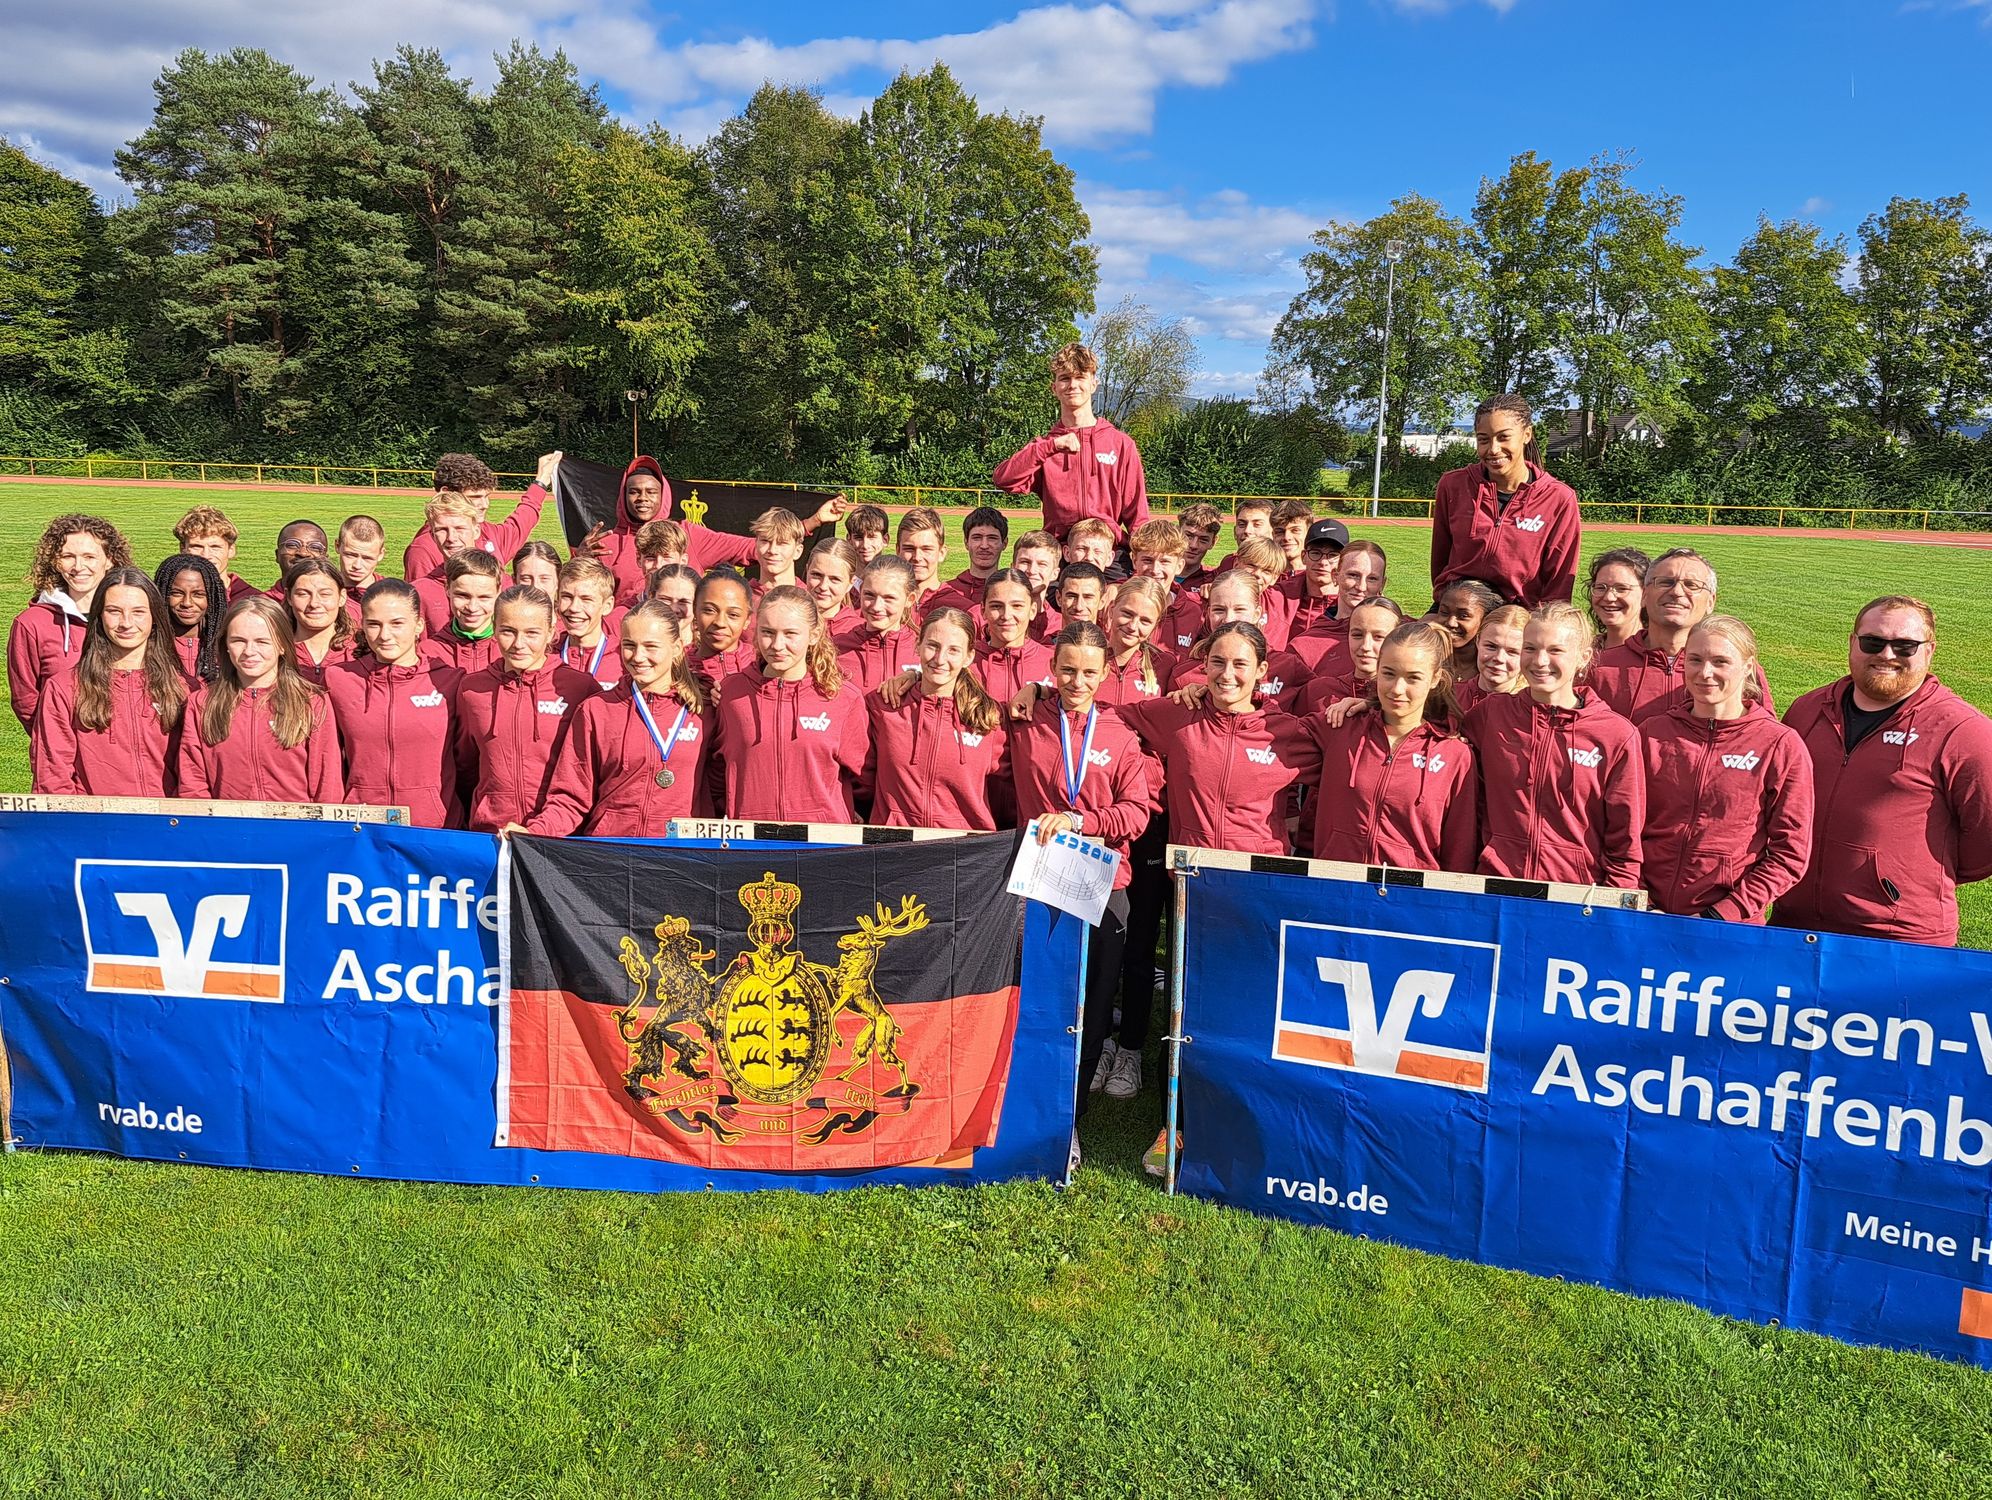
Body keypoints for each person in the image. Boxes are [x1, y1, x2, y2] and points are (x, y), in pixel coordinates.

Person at [1113, 621, 1324, 1102]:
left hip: (1258, 892)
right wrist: (1038, 692)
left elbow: (1349, 755)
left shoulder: (1284, 732)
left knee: (1249, 1003)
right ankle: (1177, 1118)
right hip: (1193, 889)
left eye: (1240, 664)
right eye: (1217, 662)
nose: (1227, 674)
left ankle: (1243, 1105)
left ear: (1262, 671)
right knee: (1189, 1006)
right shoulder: (1179, 716)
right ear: (1202, 666)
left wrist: (1361, 706)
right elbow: (1113, 720)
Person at [1774, 595, 1992, 946]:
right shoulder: (1807, 710)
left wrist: (1900, 878)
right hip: (1793, 927)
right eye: (1873, 642)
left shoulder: (1964, 731)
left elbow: (1985, 841)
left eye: (1905, 646)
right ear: (1852, 643)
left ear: (1929, 650)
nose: (1887, 654)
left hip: (1898, 940)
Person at [1008, 621, 1155, 1138]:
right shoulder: (1025, 718)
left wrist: (1079, 820)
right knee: (1033, 996)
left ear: (1106, 673)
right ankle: (1024, 1101)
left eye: (1089, 672)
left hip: (1102, 885)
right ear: (1051, 668)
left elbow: (1137, 813)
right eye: (1067, 670)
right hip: (1036, 881)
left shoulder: (1119, 734)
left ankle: (1069, 1120)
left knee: (1091, 1006)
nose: (1077, 681)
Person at [1636, 615, 1813, 923]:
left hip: (1728, 926)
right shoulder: (1651, 733)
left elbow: (1790, 853)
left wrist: (1720, 916)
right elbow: (1620, 828)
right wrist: (1641, 903)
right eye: (1695, 659)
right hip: (1645, 917)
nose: (1705, 673)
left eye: (1720, 661)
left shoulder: (1779, 745)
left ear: (1748, 666)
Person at [1466, 602, 1642, 888]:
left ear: (1583, 657)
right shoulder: (1491, 713)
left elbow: (1626, 837)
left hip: (1576, 894)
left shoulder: (1615, 735)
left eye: (1555, 650)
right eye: (1530, 648)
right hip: (1495, 884)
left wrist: (1615, 899)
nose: (1540, 661)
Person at [527, 601, 717, 837]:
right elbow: (570, 797)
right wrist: (534, 832)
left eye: (651, 646)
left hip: (678, 851)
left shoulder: (704, 707)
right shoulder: (596, 710)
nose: (638, 656)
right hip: (612, 849)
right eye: (629, 645)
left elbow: (722, 786)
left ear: (677, 647)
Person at [1306, 620, 1477, 872]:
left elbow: (1459, 851)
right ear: (1377, 669)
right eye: (1388, 674)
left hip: (1409, 894)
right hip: (1338, 886)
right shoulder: (1340, 726)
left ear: (1435, 679)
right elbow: (1267, 739)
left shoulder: (1454, 754)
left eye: (1413, 678)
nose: (1397, 689)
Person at [588, 455, 844, 605]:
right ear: (624, 496)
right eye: (634, 492)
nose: (643, 498)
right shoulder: (606, 543)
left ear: (663, 494)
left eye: (651, 492)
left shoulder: (689, 535)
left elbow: (754, 547)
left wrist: (813, 521)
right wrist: (583, 558)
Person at [710, 586, 869, 822]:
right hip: (751, 837)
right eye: (768, 632)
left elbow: (864, 779)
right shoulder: (730, 694)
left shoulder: (843, 698)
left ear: (813, 635)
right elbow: (717, 773)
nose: (777, 645)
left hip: (822, 838)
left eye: (790, 634)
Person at [452, 585, 599, 832]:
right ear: (494, 628)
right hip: (491, 835)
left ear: (550, 632)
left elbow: (586, 775)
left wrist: (541, 829)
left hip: (558, 836)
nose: (519, 644)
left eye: (532, 633)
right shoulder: (472, 689)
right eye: (508, 631)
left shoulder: (580, 688)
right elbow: (466, 767)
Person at [322, 579, 466, 829]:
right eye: (374, 624)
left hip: (435, 827)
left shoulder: (449, 681)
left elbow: (467, 759)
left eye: (397, 623)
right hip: (362, 827)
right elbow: (329, 759)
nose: (384, 635)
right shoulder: (339, 679)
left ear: (419, 624)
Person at [33, 568, 189, 796]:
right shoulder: (64, 688)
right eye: (114, 611)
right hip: (94, 817)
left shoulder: (183, 688)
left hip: (169, 816)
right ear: (99, 616)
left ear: (155, 617)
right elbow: (52, 776)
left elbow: (197, 772)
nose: (126, 623)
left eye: (138, 612)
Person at [176, 596, 344, 802]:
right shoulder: (202, 704)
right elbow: (193, 782)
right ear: (226, 645)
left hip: (295, 821)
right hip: (226, 821)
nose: (249, 651)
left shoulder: (311, 702)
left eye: (262, 642)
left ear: (282, 645)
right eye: (238, 641)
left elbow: (327, 785)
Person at [865, 607, 1012, 831]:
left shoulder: (988, 718)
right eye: (932, 646)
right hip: (895, 843)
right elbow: (861, 775)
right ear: (917, 645)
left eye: (953, 650)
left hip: (963, 845)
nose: (940, 659)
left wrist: (1039, 690)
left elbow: (1011, 787)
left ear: (968, 657)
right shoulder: (884, 706)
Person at [10, 514, 132, 780]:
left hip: (125, 760)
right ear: (55, 561)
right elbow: (26, 700)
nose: (78, 566)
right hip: (65, 762)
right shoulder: (32, 623)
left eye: (89, 557)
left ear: (109, 559)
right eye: (68, 556)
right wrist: (56, 742)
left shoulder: (131, 619)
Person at [1431, 393, 1581, 607]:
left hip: (1517, 614)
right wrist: (1443, 602)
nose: (1493, 449)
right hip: (1458, 607)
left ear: (1526, 434)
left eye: (1503, 437)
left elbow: (1559, 583)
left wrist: (1541, 622)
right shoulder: (1452, 484)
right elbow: (1440, 561)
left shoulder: (1559, 498)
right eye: (1483, 439)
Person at [991, 342, 1149, 544]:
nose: (1073, 385)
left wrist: (1143, 555)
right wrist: (1052, 446)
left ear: (1093, 384)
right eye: (1065, 378)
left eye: (1080, 377)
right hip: (1058, 551)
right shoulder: (1045, 446)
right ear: (1054, 388)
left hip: (1108, 551)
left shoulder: (1121, 444)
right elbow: (1004, 480)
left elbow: (1137, 515)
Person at [1588, 547, 1772, 719]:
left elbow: (1763, 732)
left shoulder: (1737, 669)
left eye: (1692, 585)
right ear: (1644, 595)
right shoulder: (1600, 667)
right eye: (1665, 582)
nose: (1676, 592)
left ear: (1711, 602)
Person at [403, 451, 556, 583]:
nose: (485, 504)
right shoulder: (423, 549)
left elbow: (523, 519)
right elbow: (422, 601)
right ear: (446, 493)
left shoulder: (489, 533)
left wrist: (541, 480)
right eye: (475, 497)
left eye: (486, 496)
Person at [836, 555, 920, 692]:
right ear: (860, 591)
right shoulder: (836, 648)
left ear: (909, 599)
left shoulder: (923, 650)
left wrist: (918, 675)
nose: (876, 607)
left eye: (889, 598)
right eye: (869, 595)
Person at [973, 570, 1056, 704]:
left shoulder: (1052, 662)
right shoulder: (967, 662)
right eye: (996, 606)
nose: (1006, 615)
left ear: (1032, 610)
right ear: (983, 610)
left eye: (1017, 606)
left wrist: (1038, 690)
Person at [1128, 519, 1204, 651]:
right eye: (1148, 560)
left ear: (1179, 566)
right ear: (1134, 561)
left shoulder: (1194, 611)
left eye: (1164, 562)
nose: (1155, 570)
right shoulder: (1117, 603)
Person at [281, 557, 358, 687]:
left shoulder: (360, 651)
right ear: (289, 597)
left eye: (325, 594)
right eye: (303, 594)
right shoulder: (275, 650)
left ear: (342, 597)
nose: (314, 603)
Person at [553, 557, 625, 690]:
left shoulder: (623, 656)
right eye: (567, 597)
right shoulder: (545, 653)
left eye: (586, 599)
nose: (574, 608)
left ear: (607, 606)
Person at [424, 550, 503, 672]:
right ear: (447, 589)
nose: (472, 607)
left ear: (498, 592)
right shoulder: (428, 652)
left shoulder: (513, 647)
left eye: (484, 597)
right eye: (463, 596)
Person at [153, 553, 225, 683]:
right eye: (177, 593)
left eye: (198, 594)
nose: (187, 603)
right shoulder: (147, 646)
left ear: (212, 599)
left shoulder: (226, 647)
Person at [926, 507, 1009, 617]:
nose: (984, 546)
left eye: (992, 538)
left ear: (1004, 543)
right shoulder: (944, 593)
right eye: (977, 538)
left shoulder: (1013, 592)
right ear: (966, 543)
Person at [1277, 519, 1350, 637]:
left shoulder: (1354, 603)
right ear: (1303, 557)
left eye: (1333, 555)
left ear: (1344, 561)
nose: (1323, 562)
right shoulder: (1281, 597)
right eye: (1316, 553)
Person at [687, 570, 758, 687]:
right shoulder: (677, 668)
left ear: (747, 620)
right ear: (695, 610)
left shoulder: (761, 667)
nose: (720, 623)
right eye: (709, 610)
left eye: (733, 615)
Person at [1455, 602, 1528, 714]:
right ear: (1478, 641)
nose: (1499, 658)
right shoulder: (1450, 697)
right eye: (1491, 647)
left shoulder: (1534, 709)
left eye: (1512, 652)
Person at [173, 506, 258, 602]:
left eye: (215, 547)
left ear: (231, 550)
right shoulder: (167, 596)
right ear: (183, 549)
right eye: (197, 546)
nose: (206, 555)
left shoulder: (251, 599)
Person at [1433, 579, 1505, 683]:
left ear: (1485, 619)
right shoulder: (1424, 659)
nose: (1451, 623)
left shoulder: (1497, 667)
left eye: (1463, 616)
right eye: (1444, 612)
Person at [1587, 547, 1649, 651]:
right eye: (1601, 588)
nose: (1609, 597)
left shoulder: (1657, 654)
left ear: (1645, 595)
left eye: (1622, 588)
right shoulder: (1581, 652)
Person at [1009, 529, 1064, 642]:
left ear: (1055, 573)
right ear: (1012, 567)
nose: (1032, 570)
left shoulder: (1060, 625)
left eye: (1042, 564)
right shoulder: (993, 616)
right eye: (1025, 562)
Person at [895, 507, 948, 614]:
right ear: (898, 550)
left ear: (941, 553)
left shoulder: (959, 606)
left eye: (926, 549)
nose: (917, 557)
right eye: (909, 549)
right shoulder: (883, 605)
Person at [333, 515, 387, 619]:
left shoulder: (393, 595)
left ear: (381, 554)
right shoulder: (323, 592)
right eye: (350, 555)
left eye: (367, 558)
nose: (357, 566)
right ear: (337, 546)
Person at [748, 507, 808, 595]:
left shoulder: (810, 599)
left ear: (797, 551)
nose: (772, 550)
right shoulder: (740, 596)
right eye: (765, 541)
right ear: (756, 545)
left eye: (782, 543)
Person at [644, 562, 701, 642]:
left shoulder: (710, 647)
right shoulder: (635, 644)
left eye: (683, 602)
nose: (673, 609)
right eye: (665, 599)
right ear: (651, 598)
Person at [1176, 502, 1224, 592]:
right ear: (1177, 533)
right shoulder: (1155, 572)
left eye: (1203, 540)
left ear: (1213, 542)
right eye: (1188, 536)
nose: (1193, 545)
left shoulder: (1215, 581)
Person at [270, 519, 330, 589]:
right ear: (277, 555)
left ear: (325, 559)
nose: (303, 553)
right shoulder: (266, 596)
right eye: (292, 545)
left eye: (314, 547)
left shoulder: (338, 595)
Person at [1272, 499, 1314, 577]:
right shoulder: (1262, 577)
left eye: (1295, 530)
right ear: (1273, 535)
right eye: (1280, 532)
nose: (1286, 537)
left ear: (1309, 533)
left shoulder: (1321, 577)